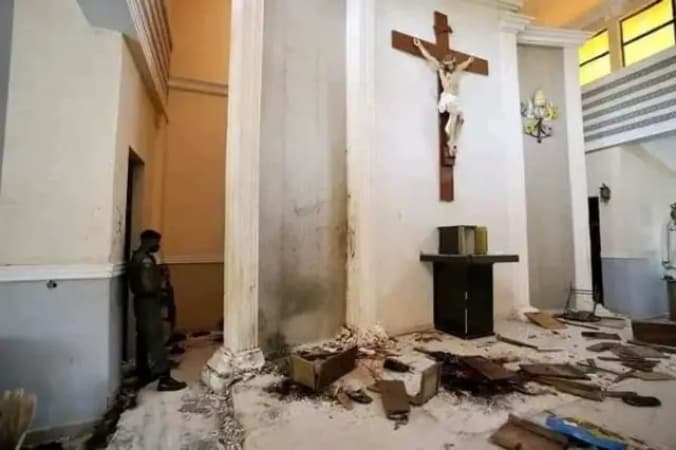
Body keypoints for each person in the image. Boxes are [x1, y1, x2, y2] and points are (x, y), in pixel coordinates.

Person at [128, 229, 186, 391]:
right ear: (148, 241)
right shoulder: (145, 260)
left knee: (143, 338)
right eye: (156, 242)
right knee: (156, 338)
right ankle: (164, 377)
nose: (158, 245)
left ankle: (143, 372)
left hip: (140, 303)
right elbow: (148, 285)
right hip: (149, 303)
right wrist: (160, 282)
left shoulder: (137, 257)